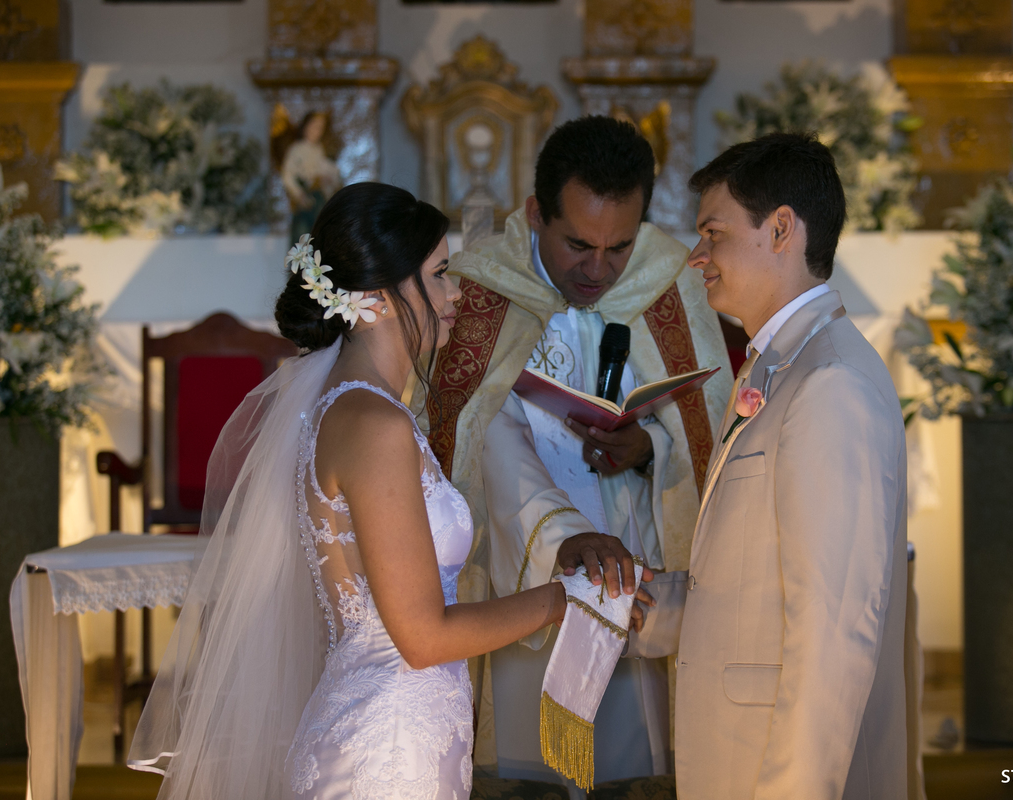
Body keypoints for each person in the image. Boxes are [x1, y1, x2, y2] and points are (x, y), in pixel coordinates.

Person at [127, 183, 642, 799]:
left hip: (397, 724)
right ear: (377, 298)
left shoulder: (355, 411)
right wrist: (566, 600)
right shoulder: (375, 426)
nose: (457, 294)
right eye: (441, 274)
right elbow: (423, 638)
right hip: (390, 747)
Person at [421, 116, 732, 789]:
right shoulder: (477, 291)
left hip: (638, 565)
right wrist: (561, 538)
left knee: (632, 773)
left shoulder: (665, 279)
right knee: (536, 775)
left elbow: (707, 423)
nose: (597, 269)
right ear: (536, 214)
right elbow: (480, 439)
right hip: (530, 567)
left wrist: (647, 445)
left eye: (619, 247)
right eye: (577, 245)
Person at [669, 132, 909, 798]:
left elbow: (834, 635)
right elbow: (753, 579)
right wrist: (648, 610)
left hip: (776, 772)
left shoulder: (830, 382)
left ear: (781, 230)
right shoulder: (778, 364)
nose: (697, 257)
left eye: (713, 233)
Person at [282, 111, 342, 242]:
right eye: (313, 126)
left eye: (320, 128)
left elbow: (327, 172)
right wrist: (298, 194)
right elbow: (288, 175)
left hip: (319, 199)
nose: (316, 131)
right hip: (305, 199)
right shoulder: (296, 149)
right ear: (305, 126)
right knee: (302, 236)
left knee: (318, 235)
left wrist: (328, 181)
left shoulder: (320, 150)